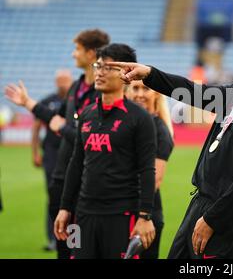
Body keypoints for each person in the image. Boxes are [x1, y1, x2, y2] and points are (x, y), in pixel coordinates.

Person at [107, 20, 233, 259]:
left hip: (228, 220)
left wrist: (213, 219)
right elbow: (194, 93)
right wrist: (149, 74)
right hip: (201, 206)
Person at [4, 29, 110, 258]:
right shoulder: (76, 87)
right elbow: (56, 120)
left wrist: (64, 129)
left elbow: (88, 139)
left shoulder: (102, 94)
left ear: (91, 53)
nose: (73, 55)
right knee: (64, 244)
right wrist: (29, 103)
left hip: (85, 182)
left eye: (77, 49)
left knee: (80, 246)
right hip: (62, 180)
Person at [54, 43, 157, 259]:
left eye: (107, 67)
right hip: (82, 214)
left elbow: (148, 169)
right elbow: (76, 163)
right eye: (97, 66)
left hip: (121, 215)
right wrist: (65, 208)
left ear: (125, 72)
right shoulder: (87, 114)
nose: (99, 72)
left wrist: (145, 216)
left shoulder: (140, 118)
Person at [126, 81, 174, 259]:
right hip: (122, 211)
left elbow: (154, 181)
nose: (139, 94)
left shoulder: (160, 131)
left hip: (145, 215)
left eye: (145, 88)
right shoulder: (127, 124)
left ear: (157, 95)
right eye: (135, 88)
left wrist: (142, 216)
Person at [31, 69, 73, 251]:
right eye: (60, 80)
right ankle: (53, 238)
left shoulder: (75, 100)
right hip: (51, 152)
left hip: (72, 152)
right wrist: (35, 152)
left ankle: (73, 237)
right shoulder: (47, 101)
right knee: (53, 195)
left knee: (73, 195)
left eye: (65, 80)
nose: (62, 83)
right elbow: (36, 127)